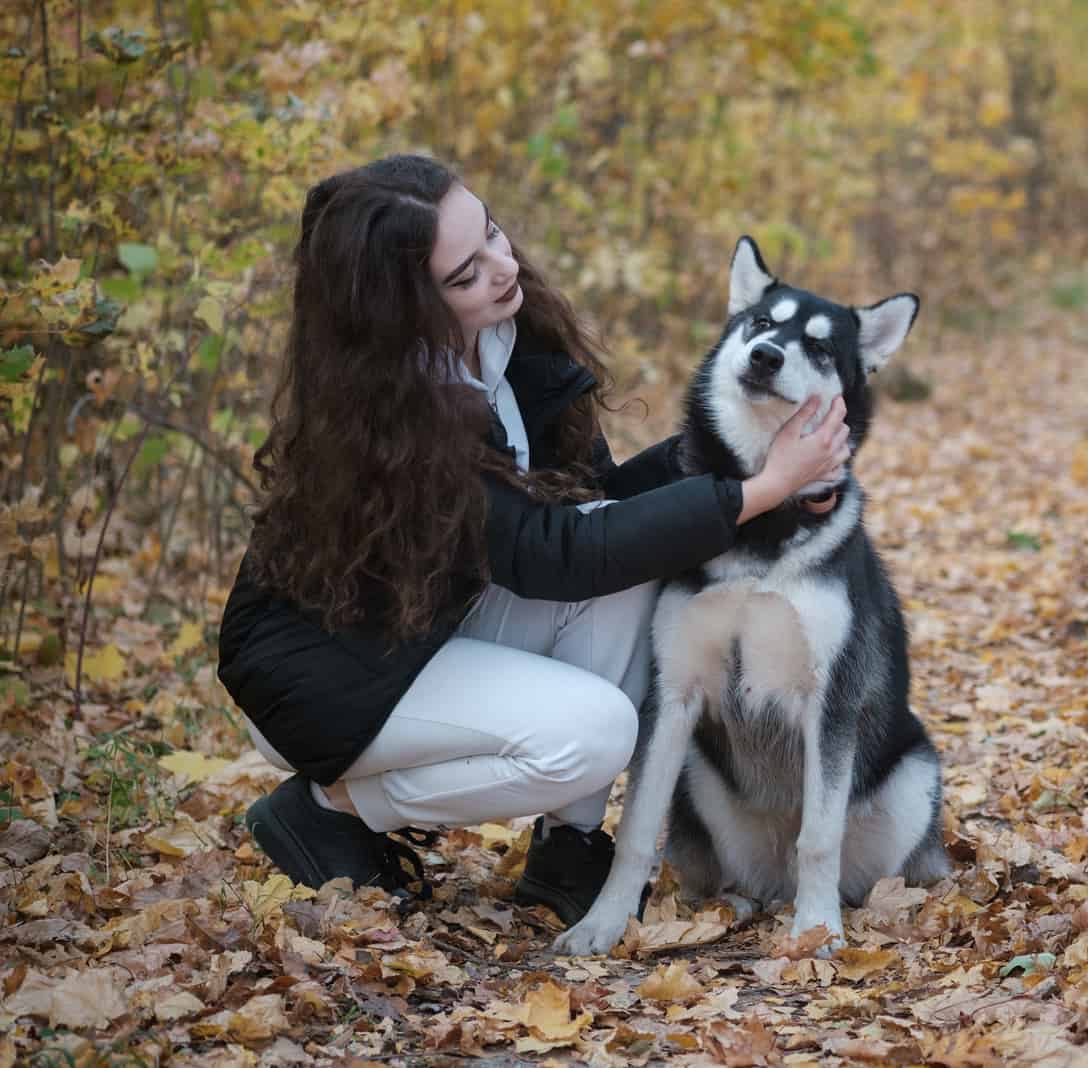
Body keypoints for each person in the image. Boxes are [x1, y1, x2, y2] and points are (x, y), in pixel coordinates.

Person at [217, 154, 849, 923]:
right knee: (593, 734)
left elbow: (592, 513)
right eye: (465, 273)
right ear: (401, 307)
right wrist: (762, 490)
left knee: (636, 569)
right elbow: (552, 555)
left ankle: (566, 853)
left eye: (492, 234)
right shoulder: (398, 406)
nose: (502, 268)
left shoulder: (505, 337)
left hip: (428, 624)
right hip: (325, 678)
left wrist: (740, 456)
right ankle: (329, 808)